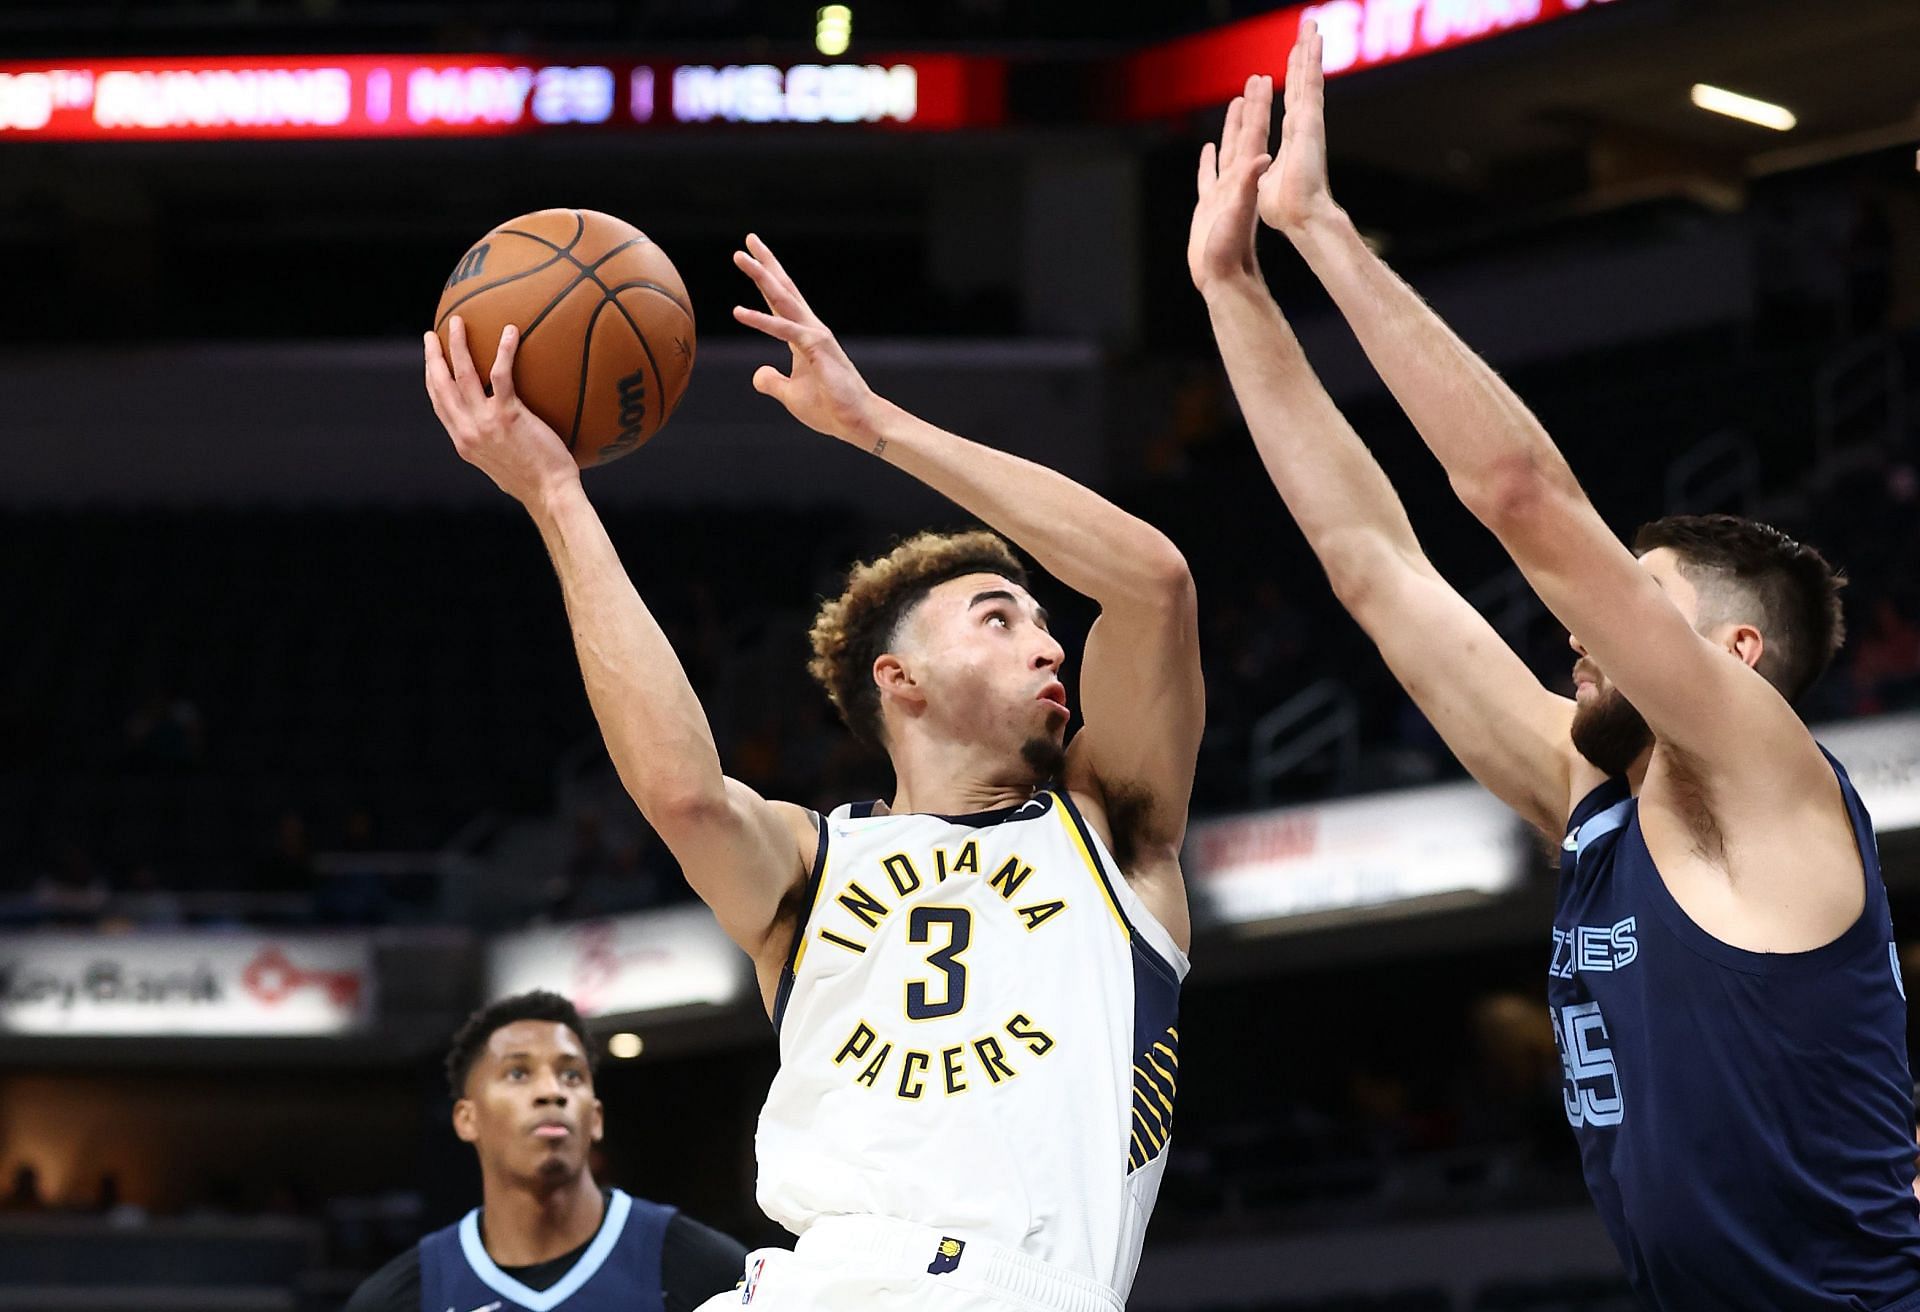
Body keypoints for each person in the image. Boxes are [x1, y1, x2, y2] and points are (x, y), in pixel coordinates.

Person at [1190, 23, 1920, 1310]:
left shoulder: (1763, 778)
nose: (1582, 629)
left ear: (1736, 659)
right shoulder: (1599, 804)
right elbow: (1374, 564)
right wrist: (1235, 293)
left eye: (1637, 601)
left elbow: (1520, 493)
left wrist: (1323, 233)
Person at [421, 231, 1201, 1312]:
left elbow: (1152, 583)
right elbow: (686, 794)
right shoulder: (811, 859)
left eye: (1042, 621)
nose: (1049, 644)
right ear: (902, 678)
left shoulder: (1109, 828)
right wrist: (557, 497)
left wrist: (876, 427)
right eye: (999, 615)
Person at [342, 991, 746, 1312]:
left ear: (596, 1118)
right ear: (466, 1119)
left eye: (571, 1075)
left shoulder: (703, 1271)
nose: (552, 1091)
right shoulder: (404, 1296)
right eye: (518, 1073)